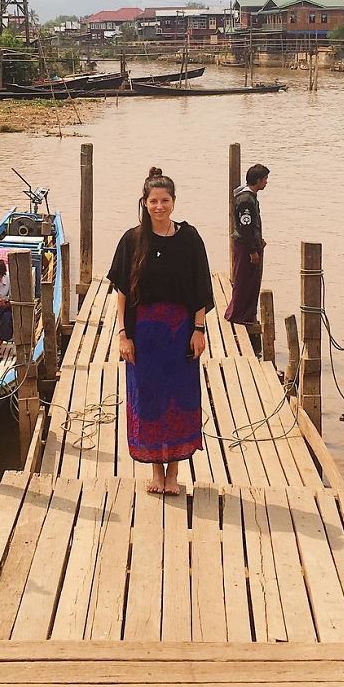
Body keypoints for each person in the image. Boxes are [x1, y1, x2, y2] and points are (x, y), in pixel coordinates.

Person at [108, 167, 214, 495]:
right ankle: (156, 471)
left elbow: (200, 288)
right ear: (144, 202)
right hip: (144, 336)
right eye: (153, 201)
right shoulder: (133, 239)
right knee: (149, 398)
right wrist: (123, 335)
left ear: (174, 202)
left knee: (181, 398)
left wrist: (199, 329)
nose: (159, 206)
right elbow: (122, 293)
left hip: (181, 334)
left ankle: (174, 474)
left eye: (165, 200)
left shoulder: (190, 238)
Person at [225, 163, 269, 325]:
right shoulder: (245, 200)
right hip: (245, 247)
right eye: (265, 179)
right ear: (257, 180)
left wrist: (259, 241)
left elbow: (251, 225)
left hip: (249, 244)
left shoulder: (250, 197)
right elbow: (245, 227)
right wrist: (252, 251)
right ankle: (238, 315)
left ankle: (247, 313)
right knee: (244, 281)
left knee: (251, 281)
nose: (266, 182)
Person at [0, 257, 13, 344]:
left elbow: (14, 299)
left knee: (7, 316)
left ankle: (0, 341)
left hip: (5, 308)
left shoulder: (9, 279)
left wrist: (4, 304)